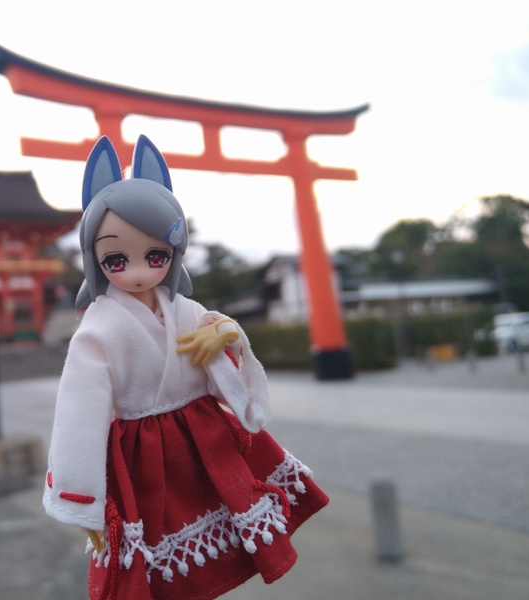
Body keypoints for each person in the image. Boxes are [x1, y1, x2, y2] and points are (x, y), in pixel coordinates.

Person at [43, 135, 328, 600]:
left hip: (205, 436)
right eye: (117, 259)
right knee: (162, 552)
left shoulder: (185, 309)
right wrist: (84, 501)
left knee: (232, 519)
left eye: (155, 257)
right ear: (95, 259)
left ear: (175, 253)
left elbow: (220, 366)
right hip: (143, 452)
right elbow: (79, 412)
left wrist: (227, 334)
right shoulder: (99, 330)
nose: (138, 272)